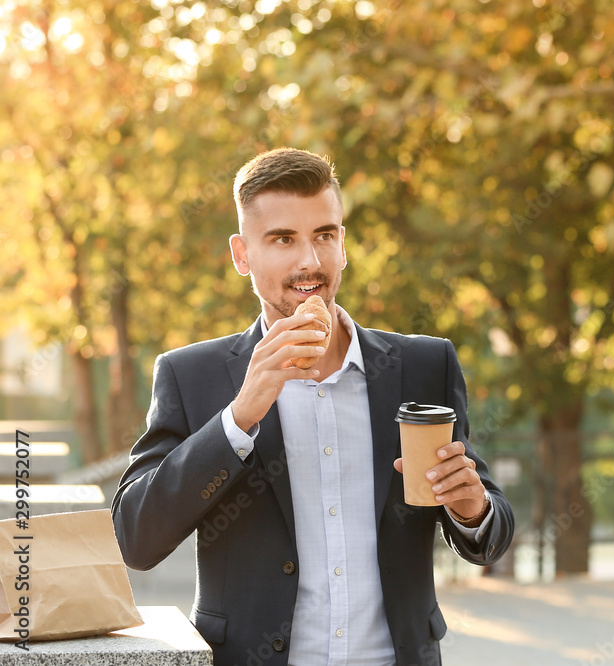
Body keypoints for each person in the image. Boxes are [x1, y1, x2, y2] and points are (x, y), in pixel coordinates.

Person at [112, 147, 514, 666]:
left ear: (343, 244)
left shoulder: (423, 365)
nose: (310, 261)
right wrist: (238, 419)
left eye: (325, 235)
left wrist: (471, 510)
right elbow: (135, 540)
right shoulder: (192, 376)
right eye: (283, 239)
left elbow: (491, 528)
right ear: (242, 255)